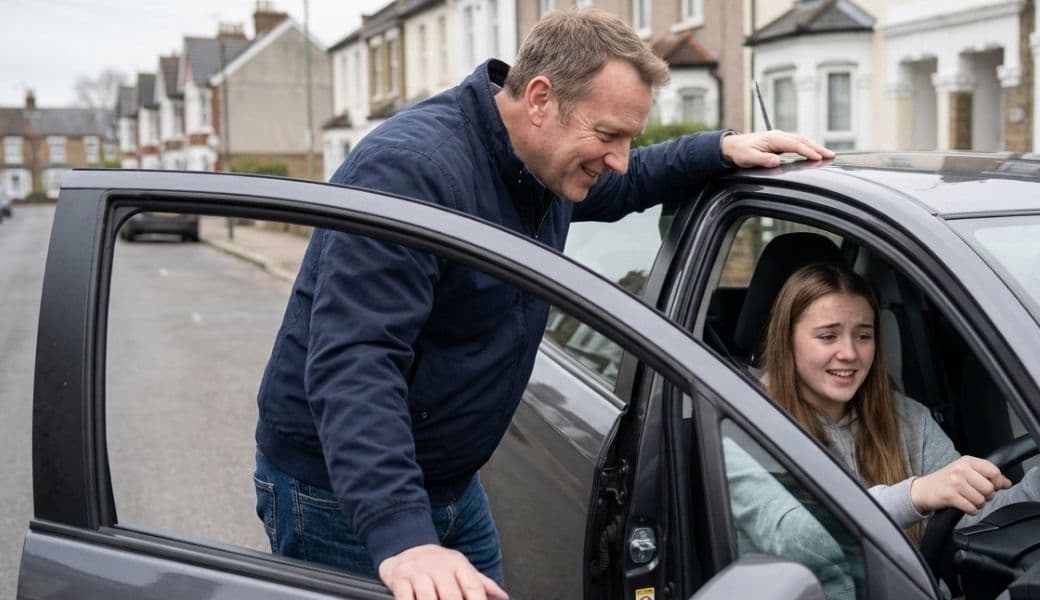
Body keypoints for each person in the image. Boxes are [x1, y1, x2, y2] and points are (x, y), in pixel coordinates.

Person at [252, 8, 835, 600]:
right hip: (339, 495)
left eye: (629, 138)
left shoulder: (539, 162)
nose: (619, 157)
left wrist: (720, 149)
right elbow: (356, 361)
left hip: (448, 482)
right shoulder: (410, 174)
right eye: (608, 135)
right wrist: (404, 538)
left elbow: (629, 182)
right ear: (539, 99)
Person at [725, 262, 1040, 598]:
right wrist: (916, 495)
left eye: (863, 336)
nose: (849, 353)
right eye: (828, 336)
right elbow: (792, 537)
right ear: (787, 340)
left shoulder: (907, 418)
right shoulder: (745, 426)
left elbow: (972, 521)